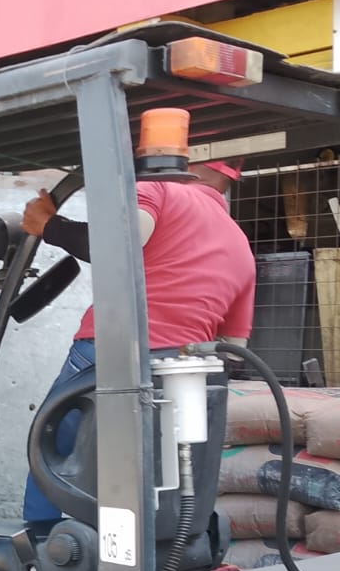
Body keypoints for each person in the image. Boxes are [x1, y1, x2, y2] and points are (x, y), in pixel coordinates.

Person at [20, 156, 255, 525]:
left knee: (51, 450)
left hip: (110, 353)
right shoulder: (241, 243)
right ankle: (146, 544)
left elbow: (117, 247)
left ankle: (41, 541)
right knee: (153, 469)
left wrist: (49, 225)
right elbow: (235, 348)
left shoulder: (161, 189)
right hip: (184, 374)